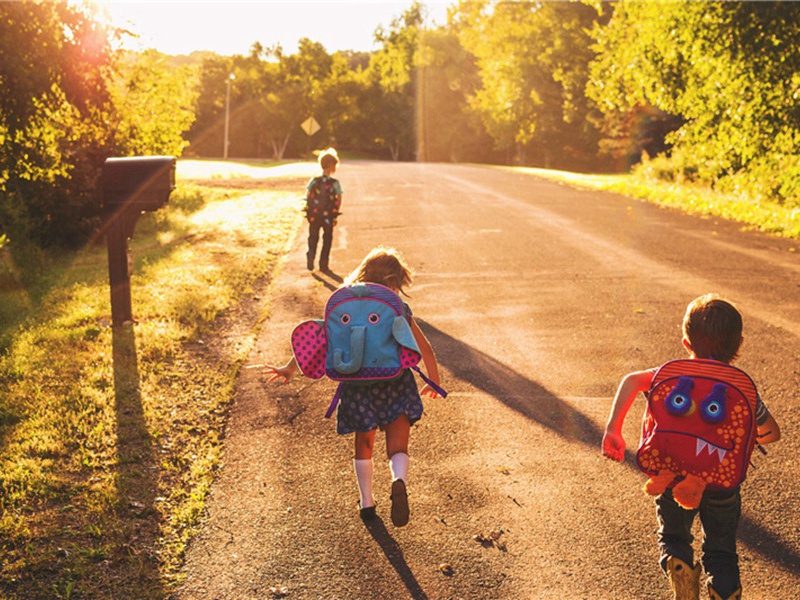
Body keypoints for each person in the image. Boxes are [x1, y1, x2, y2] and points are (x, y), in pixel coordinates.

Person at [602, 294, 781, 600]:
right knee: (721, 549)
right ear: (738, 345)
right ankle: (723, 589)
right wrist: (755, 437)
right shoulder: (742, 386)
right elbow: (771, 433)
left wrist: (613, 429)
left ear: (686, 342)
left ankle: (679, 564)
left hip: (671, 473)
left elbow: (632, 380)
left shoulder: (670, 373)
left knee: (673, 535)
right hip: (721, 480)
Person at [265, 247, 442, 527]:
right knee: (397, 443)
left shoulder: (345, 299)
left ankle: (367, 502)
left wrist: (290, 367)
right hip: (394, 381)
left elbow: (323, 337)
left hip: (357, 383)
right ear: (395, 280)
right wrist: (434, 380)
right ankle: (398, 479)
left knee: (365, 442)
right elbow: (424, 347)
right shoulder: (396, 304)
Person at [304, 148, 343, 272]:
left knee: (313, 237)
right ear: (331, 165)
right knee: (327, 239)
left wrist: (309, 210)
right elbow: (339, 199)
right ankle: (323, 264)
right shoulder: (335, 183)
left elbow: (307, 195)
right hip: (328, 217)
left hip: (314, 215)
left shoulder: (314, 180)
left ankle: (311, 256)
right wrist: (335, 214)